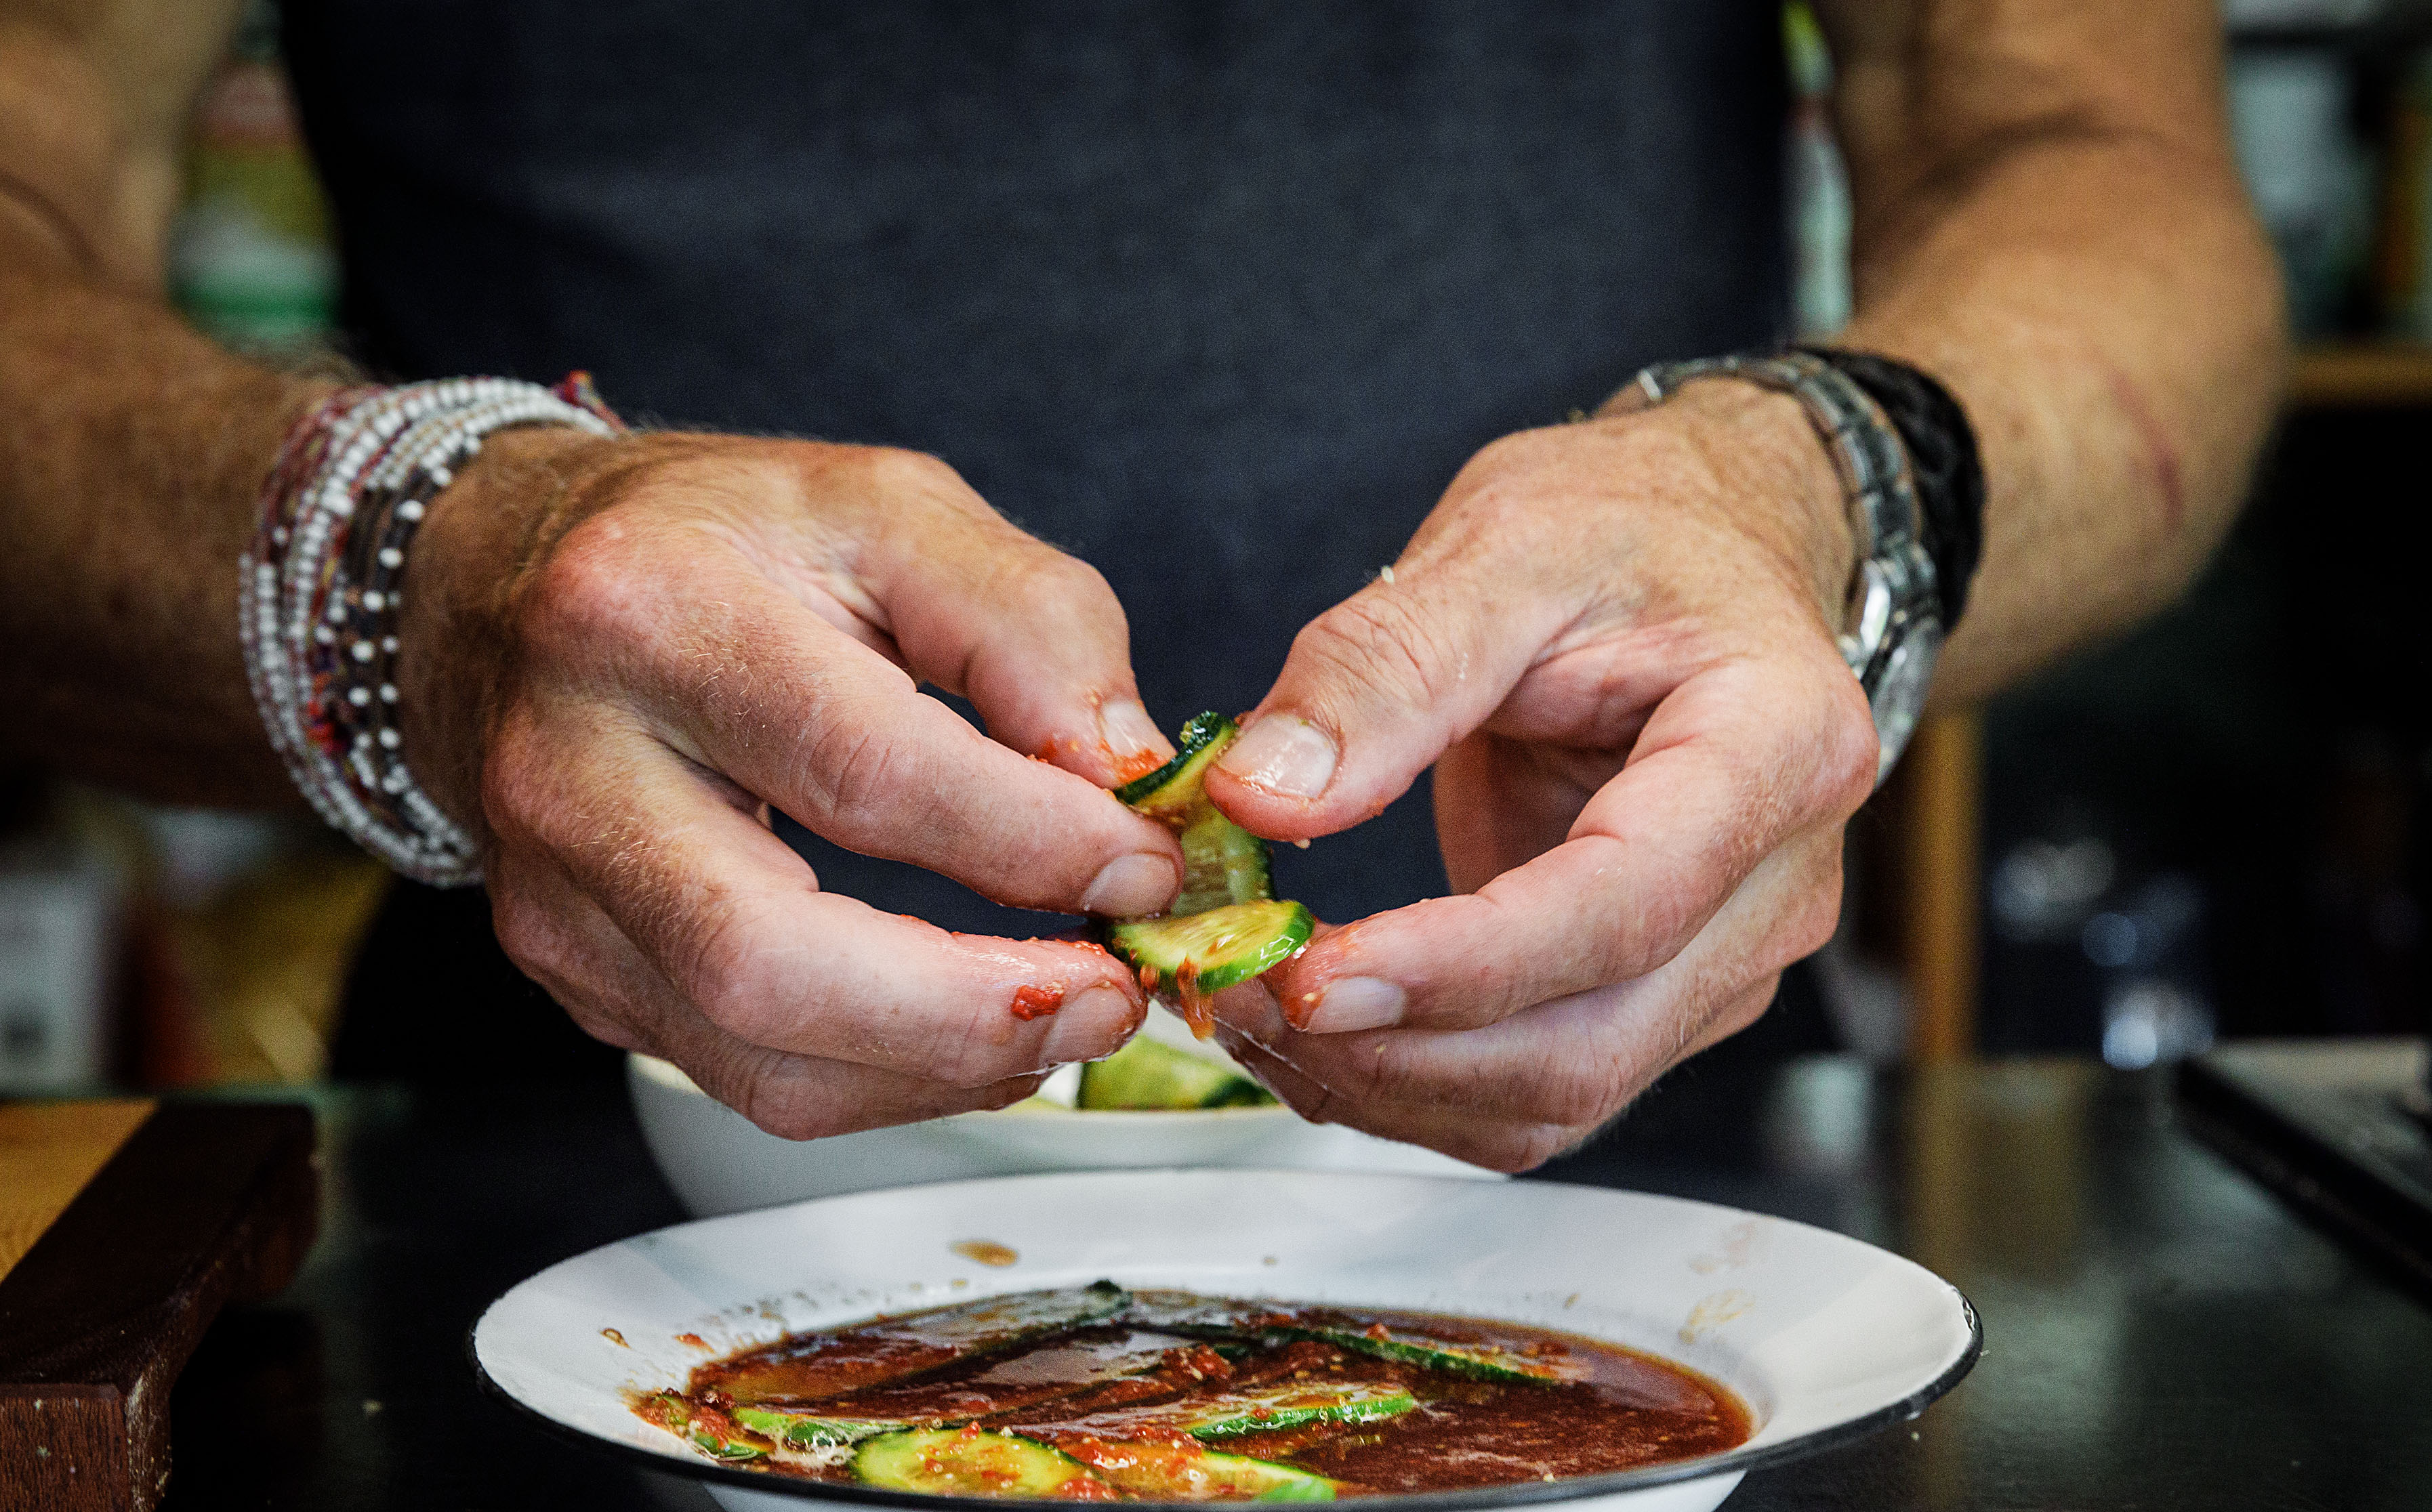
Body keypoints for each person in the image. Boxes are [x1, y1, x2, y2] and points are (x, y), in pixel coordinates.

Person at [0, 1, 2280, 1169]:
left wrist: (1816, 490)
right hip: (570, 1219)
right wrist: (441, 576)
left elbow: (2100, 175)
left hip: (1623, 1219)